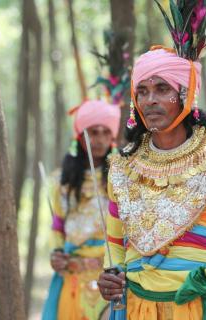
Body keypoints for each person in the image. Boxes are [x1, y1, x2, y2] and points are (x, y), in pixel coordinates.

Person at [97, 2, 206, 319]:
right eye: (142, 91)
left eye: (162, 89)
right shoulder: (121, 168)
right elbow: (116, 248)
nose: (151, 100)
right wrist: (108, 278)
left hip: (200, 310)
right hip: (136, 310)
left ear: (186, 95)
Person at [42, 100, 121, 320]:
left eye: (106, 132)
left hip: (108, 279)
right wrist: (56, 253)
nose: (99, 139)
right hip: (72, 278)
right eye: (93, 132)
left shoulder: (120, 178)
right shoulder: (63, 182)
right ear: (80, 136)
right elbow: (57, 225)